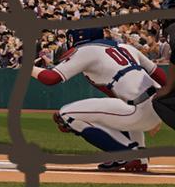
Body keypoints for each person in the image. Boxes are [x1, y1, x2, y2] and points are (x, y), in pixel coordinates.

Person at [34, 26, 165, 172]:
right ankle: (139, 157)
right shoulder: (125, 47)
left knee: (66, 115)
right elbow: (160, 75)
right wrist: (161, 109)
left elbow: (51, 78)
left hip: (137, 109)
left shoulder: (87, 50)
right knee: (120, 108)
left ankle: (128, 154)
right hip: (156, 103)